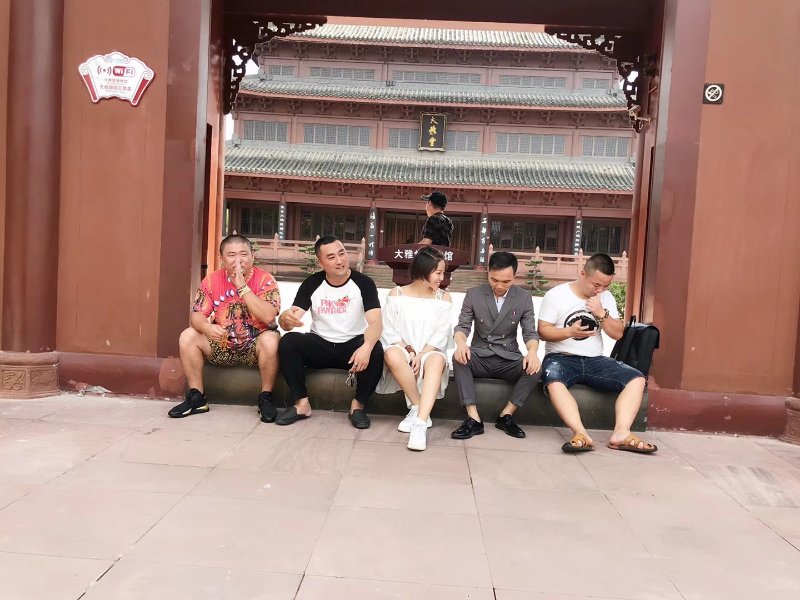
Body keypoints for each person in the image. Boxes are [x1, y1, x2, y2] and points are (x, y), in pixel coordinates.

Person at [537, 253, 657, 454]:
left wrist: (601, 313)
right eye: (596, 285)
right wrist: (569, 332)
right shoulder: (556, 295)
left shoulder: (605, 298)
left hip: (595, 360)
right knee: (554, 380)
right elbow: (543, 331)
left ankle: (621, 433)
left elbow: (617, 333)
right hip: (561, 357)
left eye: (606, 286)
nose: (600, 290)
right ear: (583, 274)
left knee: (636, 379)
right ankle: (580, 433)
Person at [168, 235, 281, 420]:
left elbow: (269, 316)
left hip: (254, 346)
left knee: (271, 339)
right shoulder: (212, 280)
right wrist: (206, 328)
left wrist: (243, 287)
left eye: (244, 254)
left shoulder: (265, 280)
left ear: (252, 256)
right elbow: (196, 315)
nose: (238, 260)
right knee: (188, 336)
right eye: (232, 255)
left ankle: (266, 397)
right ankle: (197, 397)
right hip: (222, 344)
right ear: (222, 259)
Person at [276, 235, 384, 429]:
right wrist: (284, 320)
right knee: (288, 341)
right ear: (321, 262)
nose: (339, 260)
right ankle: (301, 404)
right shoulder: (312, 283)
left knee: (375, 348)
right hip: (320, 344)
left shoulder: (364, 283)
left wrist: (366, 347)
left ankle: (358, 407)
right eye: (331, 257)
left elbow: (376, 323)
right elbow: (291, 320)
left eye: (342, 254)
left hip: (352, 348)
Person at [451, 251, 541, 439]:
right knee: (458, 358)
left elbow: (530, 332)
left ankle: (506, 415)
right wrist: (460, 343)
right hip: (480, 355)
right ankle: (473, 418)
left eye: (506, 281)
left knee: (535, 368)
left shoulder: (523, 297)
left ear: (514, 276)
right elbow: (463, 325)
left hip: (508, 357)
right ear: (488, 272)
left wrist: (532, 352)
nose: (499, 286)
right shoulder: (474, 294)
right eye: (494, 280)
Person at [377, 247, 453, 451]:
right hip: (404, 348)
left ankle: (419, 423)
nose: (442, 278)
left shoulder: (443, 298)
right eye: (438, 273)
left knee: (436, 360)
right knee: (391, 353)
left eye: (443, 273)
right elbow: (389, 331)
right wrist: (411, 351)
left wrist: (421, 354)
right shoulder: (397, 294)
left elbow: (441, 334)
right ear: (423, 270)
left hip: (430, 351)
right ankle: (418, 407)